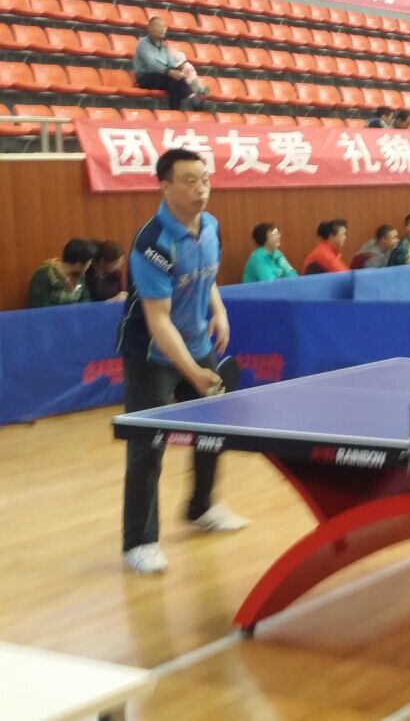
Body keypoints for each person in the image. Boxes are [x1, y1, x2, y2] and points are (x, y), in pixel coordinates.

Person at [119, 148, 248, 575]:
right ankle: (139, 542)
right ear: (165, 186)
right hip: (152, 355)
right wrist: (193, 372)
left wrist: (219, 309)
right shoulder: (153, 243)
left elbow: (205, 276)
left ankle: (201, 507)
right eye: (189, 181)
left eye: (204, 179)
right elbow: (158, 320)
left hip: (197, 342)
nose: (201, 188)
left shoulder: (210, 226)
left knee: (212, 433)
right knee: (147, 446)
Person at [133, 17, 193, 110]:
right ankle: (185, 104)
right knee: (173, 81)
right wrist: (170, 72)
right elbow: (152, 64)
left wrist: (178, 72)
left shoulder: (164, 45)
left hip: (162, 75)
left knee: (178, 80)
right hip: (145, 77)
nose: (163, 29)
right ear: (150, 28)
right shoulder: (143, 43)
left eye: (164, 27)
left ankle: (182, 106)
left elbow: (171, 63)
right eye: (159, 26)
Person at [28, 238, 97, 308]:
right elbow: (39, 304)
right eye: (89, 261)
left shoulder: (81, 275)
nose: (90, 264)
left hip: (75, 314)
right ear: (78, 263)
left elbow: (86, 299)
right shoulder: (44, 273)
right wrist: (67, 310)